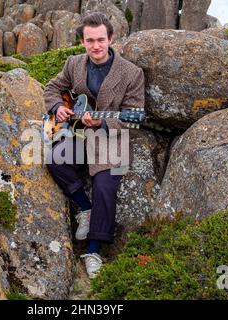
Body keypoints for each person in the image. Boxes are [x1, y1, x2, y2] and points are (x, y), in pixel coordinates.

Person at [44, 12, 145, 279]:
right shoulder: (73, 64)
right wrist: (58, 108)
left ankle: (93, 250)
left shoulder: (132, 73)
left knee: (104, 185)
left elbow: (133, 117)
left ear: (111, 39)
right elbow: (53, 88)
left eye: (101, 39)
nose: (96, 46)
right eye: (90, 40)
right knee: (55, 159)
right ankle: (85, 210)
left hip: (110, 138)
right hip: (79, 134)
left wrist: (101, 124)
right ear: (82, 42)